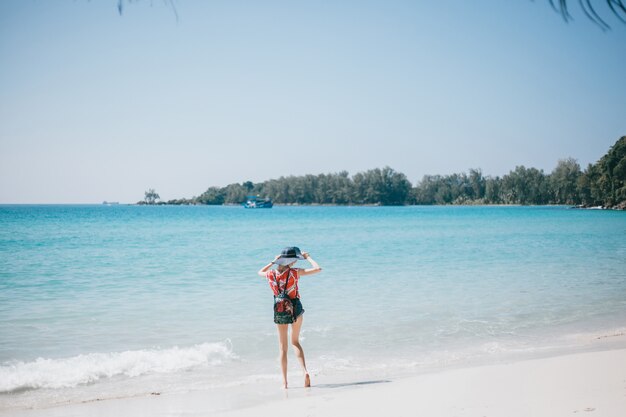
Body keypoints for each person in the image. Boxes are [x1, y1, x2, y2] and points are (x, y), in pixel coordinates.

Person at [258, 246, 322, 389]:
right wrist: (308, 258)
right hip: (296, 309)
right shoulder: (295, 272)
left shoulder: (271, 274)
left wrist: (273, 262)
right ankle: (304, 371)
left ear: (280, 259)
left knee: (283, 348)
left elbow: (259, 272)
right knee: (295, 342)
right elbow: (318, 269)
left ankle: (285, 383)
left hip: (280, 310)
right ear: (293, 261)